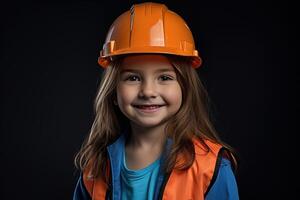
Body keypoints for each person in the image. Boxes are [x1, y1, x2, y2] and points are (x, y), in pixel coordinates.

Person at [73, 2, 239, 200]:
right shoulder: (95, 168)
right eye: (133, 78)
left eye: (165, 78)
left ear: (185, 88)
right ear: (113, 91)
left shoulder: (211, 167)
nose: (148, 91)